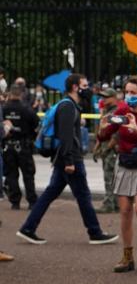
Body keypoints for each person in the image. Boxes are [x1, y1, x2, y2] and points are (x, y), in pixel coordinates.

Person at [16, 73, 117, 246]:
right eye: (84, 86)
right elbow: (66, 136)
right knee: (83, 196)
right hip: (70, 159)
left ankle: (28, 228)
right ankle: (95, 232)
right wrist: (69, 161)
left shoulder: (69, 106)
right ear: (75, 87)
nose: (88, 89)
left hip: (64, 158)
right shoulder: (68, 107)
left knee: (50, 194)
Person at [97, 76, 137, 275]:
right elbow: (105, 135)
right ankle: (128, 256)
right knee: (124, 209)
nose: (129, 96)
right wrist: (102, 127)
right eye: (127, 92)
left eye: (133, 93)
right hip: (125, 162)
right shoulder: (122, 111)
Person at [2, 83, 39, 209]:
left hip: (8, 146)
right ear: (21, 94)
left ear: (10, 93)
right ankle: (32, 201)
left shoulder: (4, 108)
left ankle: (15, 201)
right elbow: (36, 125)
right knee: (28, 174)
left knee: (11, 174)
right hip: (24, 145)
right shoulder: (26, 108)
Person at [92, 87, 122, 213]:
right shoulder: (106, 110)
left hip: (111, 148)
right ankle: (114, 203)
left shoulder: (117, 112)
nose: (103, 99)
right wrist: (97, 146)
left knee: (110, 176)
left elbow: (117, 133)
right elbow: (101, 130)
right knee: (109, 175)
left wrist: (108, 147)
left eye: (106, 97)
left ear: (114, 98)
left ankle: (109, 203)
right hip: (105, 145)